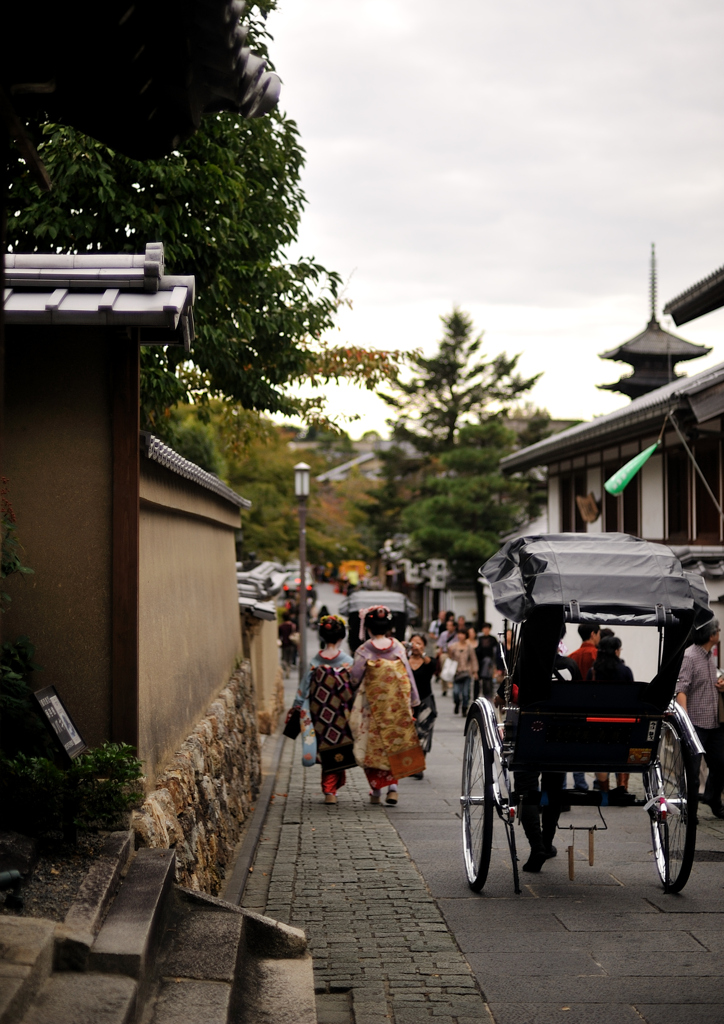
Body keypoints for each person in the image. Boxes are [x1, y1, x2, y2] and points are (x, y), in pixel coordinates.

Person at [350, 606, 422, 805]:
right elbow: (407, 674)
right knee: (394, 742)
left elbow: (355, 678)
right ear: (389, 626)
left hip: (372, 706)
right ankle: (393, 788)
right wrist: (414, 701)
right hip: (397, 705)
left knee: (373, 746)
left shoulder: (365, 650)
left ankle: (375, 791)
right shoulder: (398, 647)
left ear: (369, 628)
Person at [294, 615, 356, 805]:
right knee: (339, 748)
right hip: (342, 712)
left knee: (326, 748)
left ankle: (329, 790)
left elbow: (303, 690)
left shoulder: (315, 662)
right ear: (342, 637)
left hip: (319, 712)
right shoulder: (348, 662)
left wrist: (297, 707)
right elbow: (355, 687)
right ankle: (331, 791)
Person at [676, 619, 724, 818]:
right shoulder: (689, 656)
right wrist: (685, 721)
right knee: (692, 773)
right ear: (711, 635)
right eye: (718, 630)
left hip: (714, 723)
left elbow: (704, 685)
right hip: (695, 723)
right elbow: (681, 689)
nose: (720, 632)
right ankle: (690, 812)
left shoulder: (709, 657)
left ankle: (713, 799)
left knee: (721, 764)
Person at [587, 636, 634, 792]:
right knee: (622, 753)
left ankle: (604, 792)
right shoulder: (625, 671)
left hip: (598, 721)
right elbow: (632, 696)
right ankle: (622, 787)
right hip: (622, 720)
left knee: (601, 756)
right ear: (615, 651)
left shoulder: (593, 671)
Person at [408, 632, 437, 775]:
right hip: (408, 703)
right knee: (410, 734)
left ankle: (420, 766)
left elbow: (432, 666)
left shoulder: (428, 661)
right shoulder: (404, 661)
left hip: (425, 701)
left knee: (424, 733)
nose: (415, 646)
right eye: (413, 643)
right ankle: (412, 764)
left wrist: (421, 653)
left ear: (424, 646)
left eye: (419, 643)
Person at [447, 628, 478, 716]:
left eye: (463, 634)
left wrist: (475, 671)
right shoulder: (453, 646)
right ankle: (457, 703)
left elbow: (473, 659)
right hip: (456, 672)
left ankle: (464, 708)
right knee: (456, 692)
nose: (461, 636)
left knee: (466, 692)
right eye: (459, 634)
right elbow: (450, 659)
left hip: (467, 671)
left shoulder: (469, 647)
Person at [476, 623, 499, 700]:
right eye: (484, 628)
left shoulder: (493, 639)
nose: (486, 630)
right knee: (484, 678)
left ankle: (489, 693)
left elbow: (496, 652)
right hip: (481, 661)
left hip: (490, 661)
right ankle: (486, 693)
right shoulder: (479, 639)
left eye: (487, 628)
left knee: (488, 678)